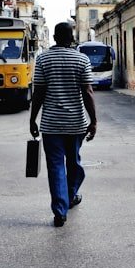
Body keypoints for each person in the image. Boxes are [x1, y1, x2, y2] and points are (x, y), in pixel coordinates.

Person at [29, 22, 97, 227]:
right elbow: (87, 92)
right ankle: (70, 195)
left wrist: (33, 119)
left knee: (56, 167)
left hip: (51, 125)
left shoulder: (43, 59)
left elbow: (38, 92)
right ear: (71, 38)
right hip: (76, 124)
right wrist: (93, 121)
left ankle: (61, 209)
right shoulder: (81, 59)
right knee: (74, 163)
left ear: (55, 38)